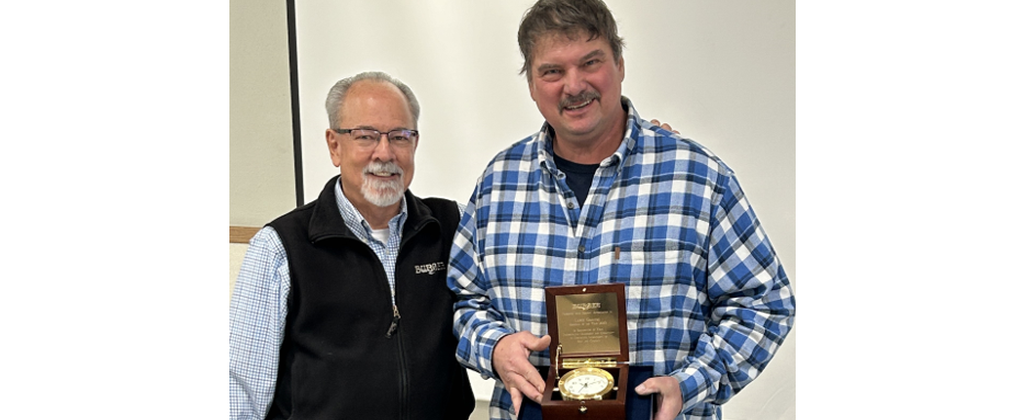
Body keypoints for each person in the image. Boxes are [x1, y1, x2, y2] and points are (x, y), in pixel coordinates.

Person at [446, 1, 796, 419]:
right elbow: (464, 298)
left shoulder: (699, 179)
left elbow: (764, 302)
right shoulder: (498, 183)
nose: (573, 86)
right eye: (552, 71)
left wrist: (693, 383)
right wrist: (494, 347)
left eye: (590, 62)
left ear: (620, 64)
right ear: (532, 83)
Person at [229, 71, 474, 419]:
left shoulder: (452, 228)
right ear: (334, 145)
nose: (385, 153)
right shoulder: (280, 249)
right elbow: (240, 389)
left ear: (415, 144)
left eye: (400, 137)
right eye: (366, 137)